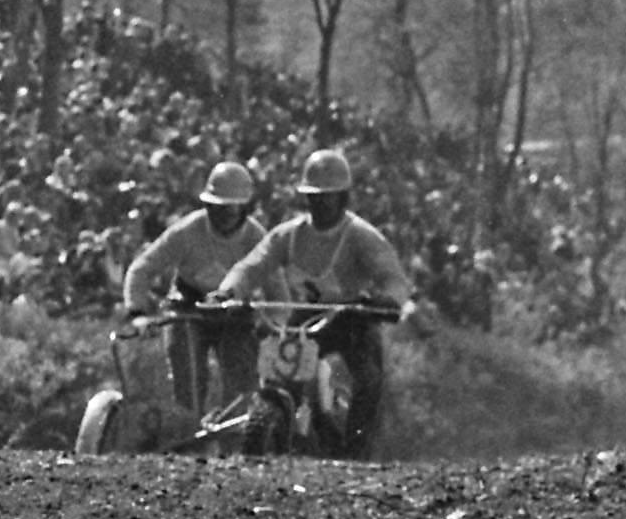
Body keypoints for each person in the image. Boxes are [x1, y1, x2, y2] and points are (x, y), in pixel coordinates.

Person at [213, 148, 416, 459]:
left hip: (352, 320)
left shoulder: (360, 236)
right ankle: (282, 428)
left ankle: (356, 452)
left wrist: (388, 300)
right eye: (313, 196)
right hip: (306, 321)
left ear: (343, 198)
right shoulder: (289, 235)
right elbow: (252, 265)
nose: (319, 203)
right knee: (278, 378)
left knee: (369, 379)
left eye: (328, 197)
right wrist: (228, 291)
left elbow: (393, 278)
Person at [120, 160, 266, 416]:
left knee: (241, 384)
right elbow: (141, 269)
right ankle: (187, 433)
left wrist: (275, 322)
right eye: (219, 209)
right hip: (188, 308)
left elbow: (277, 287)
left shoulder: (257, 238)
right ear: (208, 205)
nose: (226, 217)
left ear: (245, 208)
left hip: (234, 315)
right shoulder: (187, 231)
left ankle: (234, 437)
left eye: (233, 209)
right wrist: (136, 312)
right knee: (188, 379)